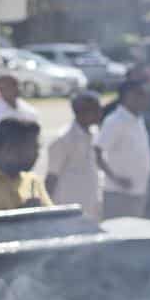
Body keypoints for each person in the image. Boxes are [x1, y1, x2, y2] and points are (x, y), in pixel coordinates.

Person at [95, 79, 150, 219]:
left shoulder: (138, 119)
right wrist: (116, 179)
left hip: (138, 192)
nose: (146, 98)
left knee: (135, 235)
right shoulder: (114, 121)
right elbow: (97, 153)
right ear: (128, 96)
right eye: (141, 94)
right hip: (118, 194)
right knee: (118, 235)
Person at [47, 92, 105, 220]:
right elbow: (51, 177)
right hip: (68, 210)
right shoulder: (63, 139)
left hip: (91, 207)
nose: (100, 114)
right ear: (81, 112)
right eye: (95, 110)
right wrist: (47, 211)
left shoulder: (95, 133)